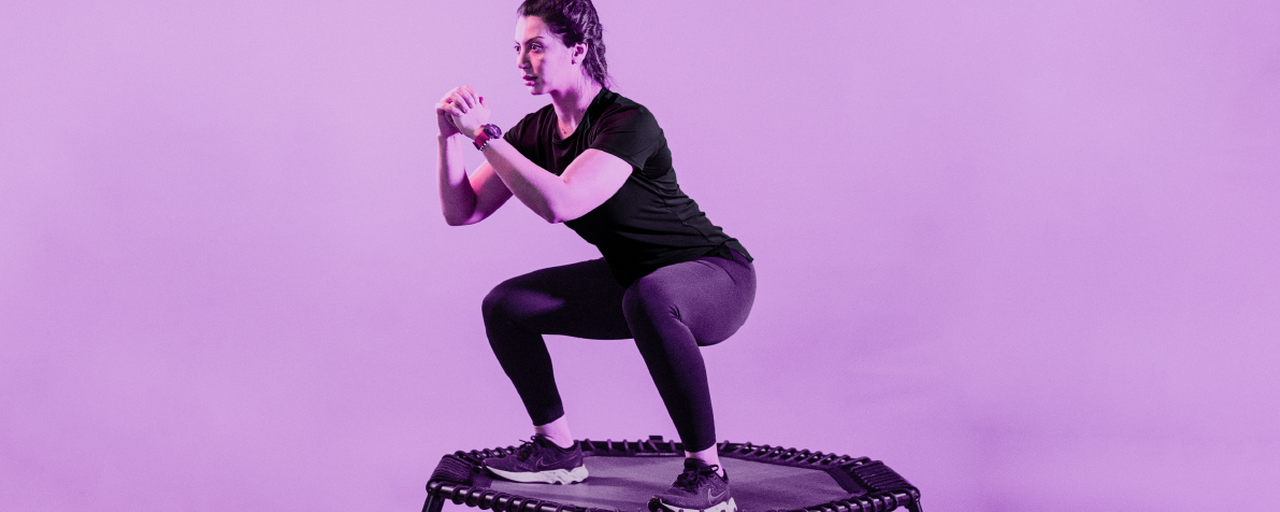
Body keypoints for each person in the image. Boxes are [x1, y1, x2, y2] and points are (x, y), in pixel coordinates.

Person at [434, 1, 754, 511]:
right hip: (634, 282)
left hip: (716, 276)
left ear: (578, 50)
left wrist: (484, 136)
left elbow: (562, 203)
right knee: (505, 306)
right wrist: (449, 138)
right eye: (517, 48)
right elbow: (463, 211)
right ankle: (556, 450)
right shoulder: (535, 132)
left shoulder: (627, 121)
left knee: (649, 296)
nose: (521, 61)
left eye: (536, 47)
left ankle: (708, 476)